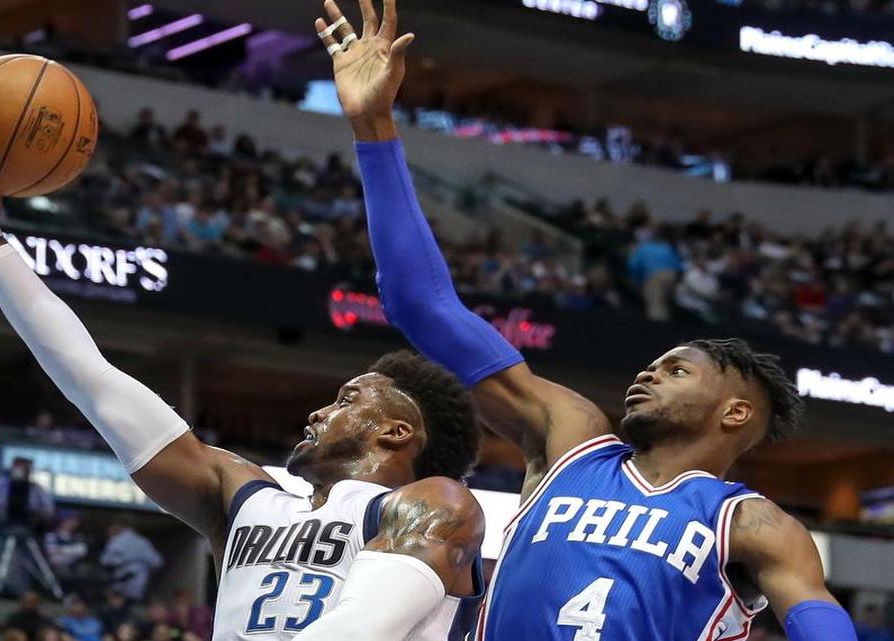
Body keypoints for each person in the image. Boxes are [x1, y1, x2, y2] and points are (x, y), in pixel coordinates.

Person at [321, 1, 859, 638]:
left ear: (735, 412)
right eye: (654, 364)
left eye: (676, 369)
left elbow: (821, 622)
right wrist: (374, 125)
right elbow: (420, 305)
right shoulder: (571, 440)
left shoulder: (753, 524)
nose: (648, 374)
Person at [0, 116, 487, 641]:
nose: (318, 412)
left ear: (394, 432)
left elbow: (359, 630)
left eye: (346, 400)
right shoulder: (243, 499)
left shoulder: (437, 504)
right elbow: (91, 378)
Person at [0, 457, 60, 598]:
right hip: (6, 529)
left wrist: (38, 516)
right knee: (3, 560)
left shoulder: (37, 489)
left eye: (25, 468)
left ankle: (26, 591)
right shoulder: (2, 485)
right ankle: (1, 589)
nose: (21, 471)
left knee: (28, 562)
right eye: (19, 467)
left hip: (29, 532)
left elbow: (49, 510)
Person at [99, 522, 161, 603]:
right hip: (139, 576)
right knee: (132, 603)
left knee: (116, 602)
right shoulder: (143, 541)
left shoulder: (116, 540)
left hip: (121, 576)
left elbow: (105, 561)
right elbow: (157, 562)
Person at [44, 514, 89, 590]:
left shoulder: (77, 536)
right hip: (57, 565)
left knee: (85, 571)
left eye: (75, 522)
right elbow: (51, 552)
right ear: (63, 521)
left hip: (74, 565)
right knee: (64, 572)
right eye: (71, 521)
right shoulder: (52, 536)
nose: (74, 524)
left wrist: (62, 550)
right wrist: (73, 550)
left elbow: (82, 551)